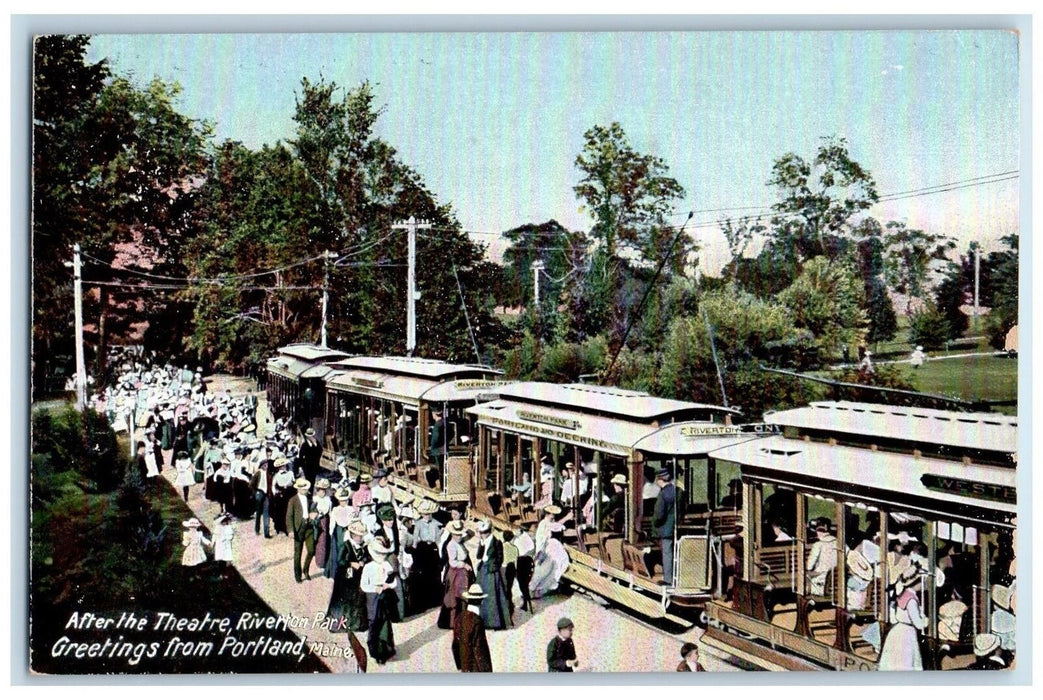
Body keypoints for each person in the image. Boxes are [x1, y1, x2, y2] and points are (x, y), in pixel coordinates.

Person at [878, 566, 928, 670]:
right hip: (907, 634)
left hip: (897, 631)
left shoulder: (902, 595)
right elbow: (918, 624)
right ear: (916, 583)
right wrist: (927, 620)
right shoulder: (912, 600)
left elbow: (893, 618)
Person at [328, 521, 370, 633]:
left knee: (357, 600)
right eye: (359, 536)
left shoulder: (363, 546)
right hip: (344, 578)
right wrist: (351, 563)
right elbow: (340, 561)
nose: (361, 538)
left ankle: (356, 624)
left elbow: (367, 557)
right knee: (344, 601)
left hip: (357, 578)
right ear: (354, 535)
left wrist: (362, 561)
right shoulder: (345, 545)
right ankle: (341, 624)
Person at [361, 539, 397, 665]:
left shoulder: (387, 565)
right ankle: (375, 651)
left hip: (384, 596)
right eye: (380, 553)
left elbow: (394, 582)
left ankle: (386, 650)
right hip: (373, 598)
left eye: (384, 554)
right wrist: (374, 589)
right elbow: (364, 585)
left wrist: (388, 585)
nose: (382, 556)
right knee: (374, 623)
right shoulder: (368, 567)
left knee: (385, 623)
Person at [474, 520, 512, 630]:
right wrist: (481, 546)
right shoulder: (482, 542)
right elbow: (478, 556)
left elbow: (500, 559)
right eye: (481, 532)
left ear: (490, 531)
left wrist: (493, 566)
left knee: (493, 597)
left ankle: (495, 622)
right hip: (482, 571)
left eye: (485, 532)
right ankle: (482, 621)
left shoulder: (496, 542)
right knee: (481, 596)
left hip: (491, 572)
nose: (483, 534)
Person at [437, 520, 474, 630]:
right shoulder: (451, 545)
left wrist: (464, 527)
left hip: (463, 572)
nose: (459, 536)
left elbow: (471, 534)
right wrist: (464, 565)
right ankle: (454, 622)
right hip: (457, 572)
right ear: (452, 534)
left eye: (459, 534)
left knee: (463, 595)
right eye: (456, 534)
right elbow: (452, 562)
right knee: (457, 596)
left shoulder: (460, 541)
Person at [452, 584, 494, 673]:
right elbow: (480, 650)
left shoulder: (459, 618)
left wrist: (460, 665)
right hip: (476, 668)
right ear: (481, 601)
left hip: (465, 666)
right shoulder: (477, 621)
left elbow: (455, 644)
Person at [531, 506, 570, 598]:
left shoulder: (547, 523)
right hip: (543, 549)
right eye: (553, 515)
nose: (553, 516)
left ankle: (538, 590)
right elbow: (555, 526)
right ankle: (533, 589)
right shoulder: (544, 523)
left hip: (546, 547)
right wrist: (567, 518)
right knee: (543, 569)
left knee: (548, 569)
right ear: (549, 514)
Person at [413, 500, 445, 611]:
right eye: (425, 514)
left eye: (428, 514)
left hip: (432, 548)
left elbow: (438, 539)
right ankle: (425, 601)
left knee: (434, 572)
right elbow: (415, 539)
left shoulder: (436, 523)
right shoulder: (418, 524)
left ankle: (435, 600)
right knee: (423, 574)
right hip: (422, 549)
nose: (427, 516)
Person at [287, 478, 317, 583]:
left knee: (312, 550)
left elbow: (314, 508)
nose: (306, 490)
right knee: (297, 553)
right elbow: (289, 516)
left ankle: (306, 570)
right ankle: (298, 575)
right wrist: (290, 530)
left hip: (308, 527)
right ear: (298, 489)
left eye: (306, 489)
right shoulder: (293, 500)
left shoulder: (309, 498)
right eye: (303, 489)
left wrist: (314, 513)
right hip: (298, 529)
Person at [652, 468, 677, 584]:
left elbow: (659, 515)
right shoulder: (678, 491)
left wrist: (655, 524)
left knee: (667, 555)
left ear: (659, 480)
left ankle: (668, 580)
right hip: (677, 527)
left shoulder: (662, 495)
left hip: (666, 530)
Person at [806, 524, 838, 596]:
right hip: (837, 581)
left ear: (819, 532)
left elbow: (809, 565)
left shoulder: (818, 545)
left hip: (821, 581)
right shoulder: (840, 543)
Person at [249, 454, 273, 538]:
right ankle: (257, 529)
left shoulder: (269, 473)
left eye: (267, 465)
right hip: (259, 492)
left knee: (266, 512)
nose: (266, 466)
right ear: (262, 466)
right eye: (264, 465)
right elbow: (251, 484)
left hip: (266, 494)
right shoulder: (258, 472)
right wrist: (255, 492)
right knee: (259, 512)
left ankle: (266, 532)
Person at [269, 457, 295, 536]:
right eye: (281, 466)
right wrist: (276, 494)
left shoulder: (290, 473)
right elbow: (273, 486)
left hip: (290, 493)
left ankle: (291, 527)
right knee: (282, 512)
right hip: (282, 495)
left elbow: (294, 482)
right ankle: (283, 528)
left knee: (291, 510)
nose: (283, 467)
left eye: (283, 466)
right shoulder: (276, 476)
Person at [514, 525, 536, 613]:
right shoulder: (527, 538)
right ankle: (526, 601)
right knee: (524, 584)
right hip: (528, 561)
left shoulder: (519, 540)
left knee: (522, 583)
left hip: (522, 562)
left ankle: (526, 602)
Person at [501, 530, 520, 618]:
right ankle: (510, 609)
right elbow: (516, 563)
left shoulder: (501, 547)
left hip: (503, 569)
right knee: (509, 589)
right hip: (511, 570)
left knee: (503, 590)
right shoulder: (515, 548)